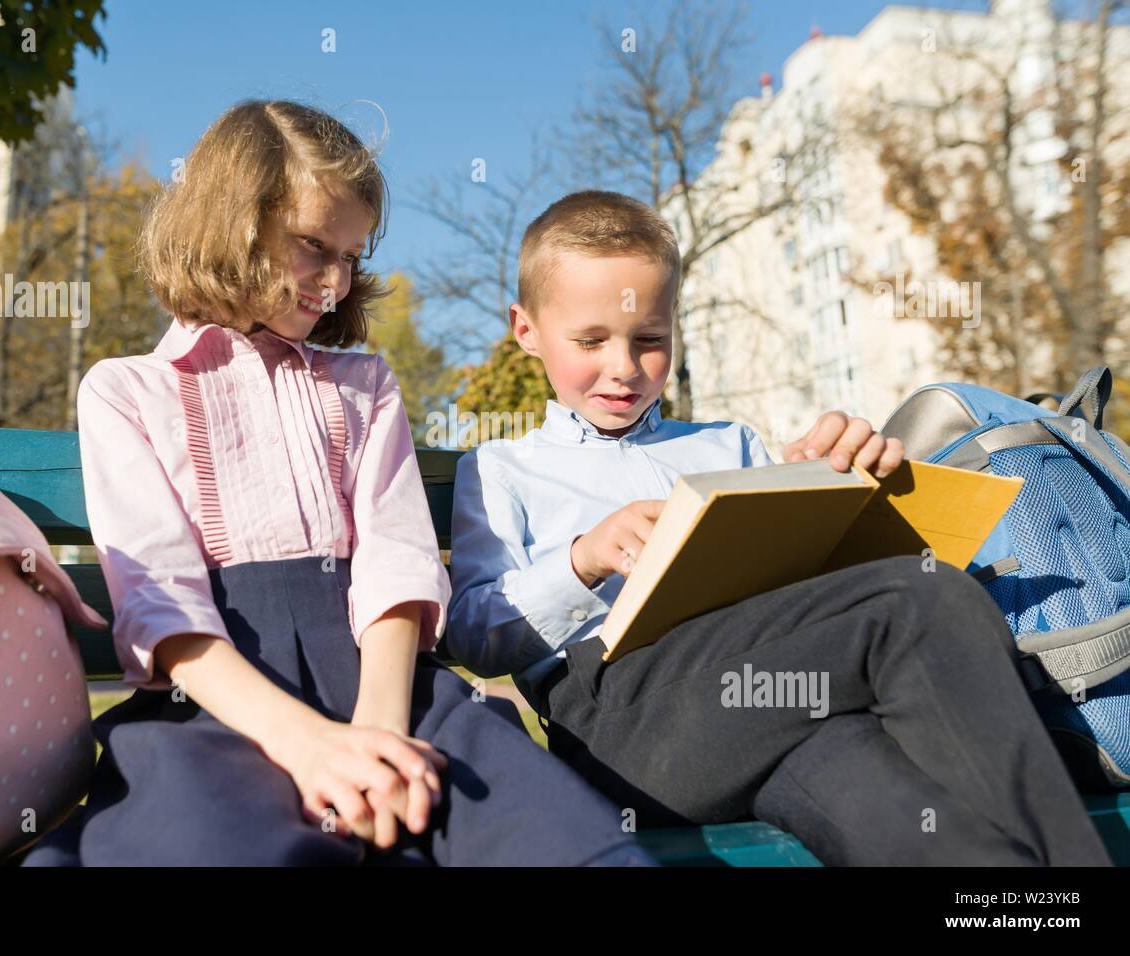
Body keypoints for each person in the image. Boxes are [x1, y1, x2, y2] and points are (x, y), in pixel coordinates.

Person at [24, 105, 651, 866]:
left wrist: (379, 735)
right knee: (209, 839)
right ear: (229, 224)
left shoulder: (364, 384)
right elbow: (160, 597)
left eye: (351, 256)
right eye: (314, 246)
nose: (335, 281)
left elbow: (396, 559)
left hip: (386, 681)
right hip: (215, 699)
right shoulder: (126, 390)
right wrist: (311, 747)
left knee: (541, 829)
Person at [446, 189, 1112, 866]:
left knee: (881, 799)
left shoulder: (728, 443)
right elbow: (472, 635)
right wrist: (583, 560)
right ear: (525, 329)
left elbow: (805, 590)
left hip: (767, 704)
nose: (623, 366)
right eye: (591, 340)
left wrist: (839, 483)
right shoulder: (503, 466)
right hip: (621, 726)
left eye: (650, 339)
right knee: (919, 597)